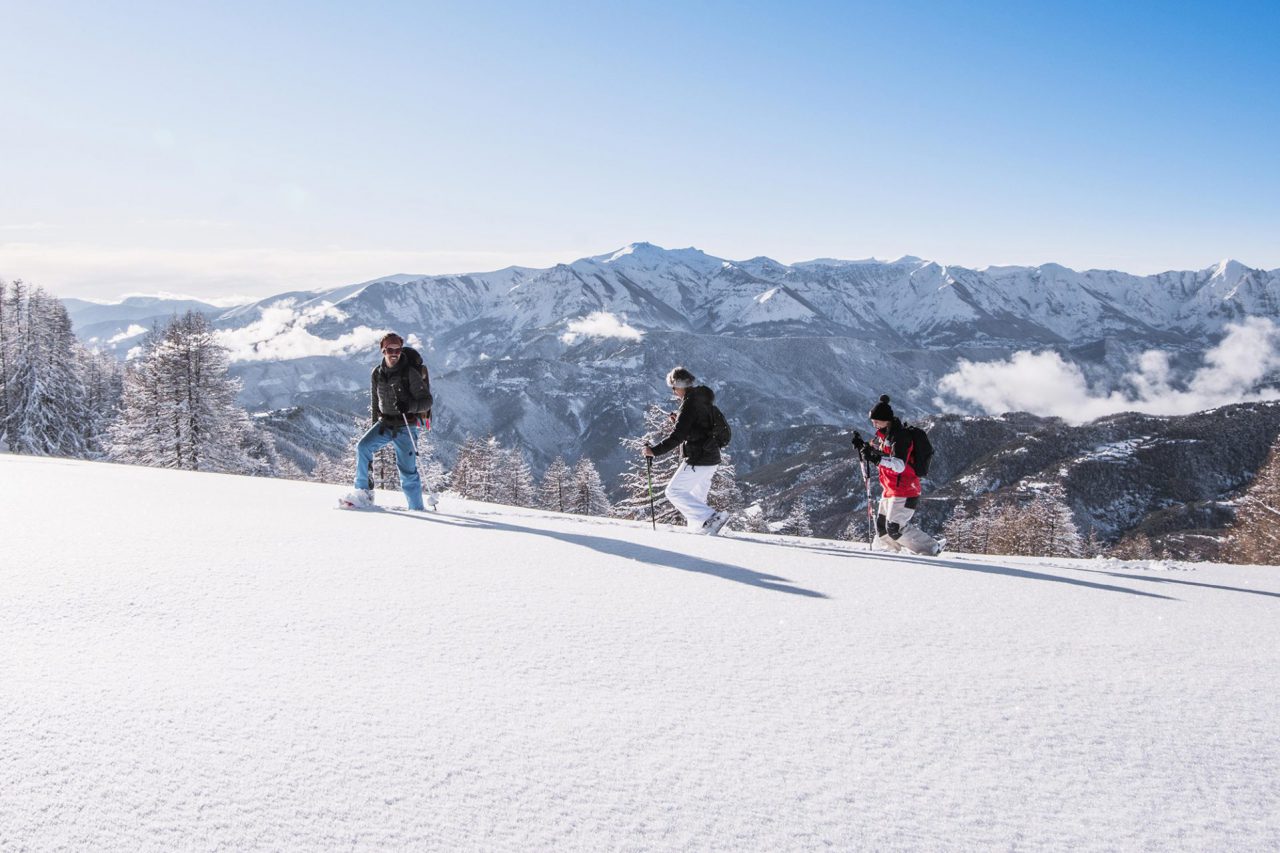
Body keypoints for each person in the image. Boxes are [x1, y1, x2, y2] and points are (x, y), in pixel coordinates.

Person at [341, 333, 435, 511]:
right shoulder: (377, 373)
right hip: (384, 423)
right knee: (363, 447)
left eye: (398, 349)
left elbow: (427, 401)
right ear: (383, 350)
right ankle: (363, 493)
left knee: (407, 472)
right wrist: (374, 425)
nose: (394, 353)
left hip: (406, 425)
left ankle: (417, 509)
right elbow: (375, 402)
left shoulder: (410, 373)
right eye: (390, 349)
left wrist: (409, 405)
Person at [642, 366, 731, 535]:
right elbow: (700, 426)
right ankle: (700, 532)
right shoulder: (702, 400)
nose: (674, 392)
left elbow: (677, 437)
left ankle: (713, 518)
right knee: (697, 500)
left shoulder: (689, 405)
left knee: (673, 491)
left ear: (680, 386)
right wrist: (679, 421)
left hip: (699, 458)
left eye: (674, 388)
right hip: (711, 458)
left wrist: (653, 451)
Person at [852, 394, 942, 555]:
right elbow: (880, 452)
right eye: (872, 421)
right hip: (890, 489)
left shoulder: (900, 437)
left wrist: (876, 459)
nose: (873, 424)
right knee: (882, 528)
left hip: (906, 490)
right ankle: (890, 554)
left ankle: (931, 548)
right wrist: (863, 447)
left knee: (894, 528)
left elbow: (899, 465)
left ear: (886, 420)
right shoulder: (884, 434)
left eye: (876, 421)